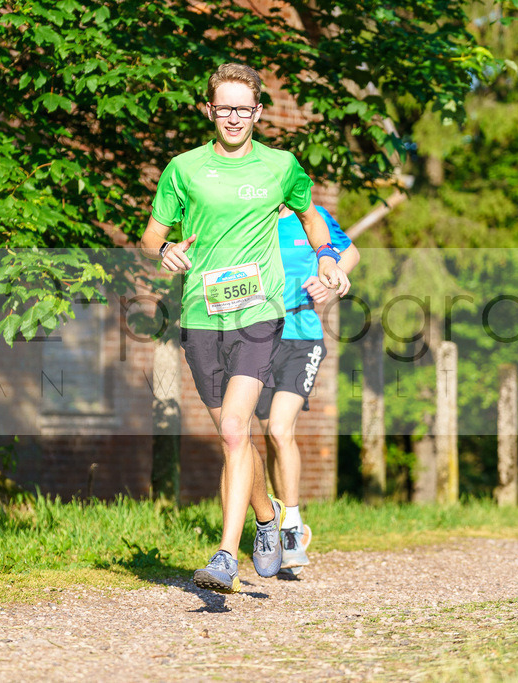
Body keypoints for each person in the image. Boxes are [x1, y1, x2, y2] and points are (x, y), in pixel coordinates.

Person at [139, 63, 351, 594]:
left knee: (237, 429)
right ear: (208, 110)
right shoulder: (183, 169)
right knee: (234, 435)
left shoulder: (281, 166)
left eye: (244, 108)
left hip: (259, 315)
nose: (233, 117)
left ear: (258, 112)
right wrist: (163, 251)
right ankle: (266, 517)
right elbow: (151, 235)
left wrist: (327, 258)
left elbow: (311, 216)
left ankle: (224, 557)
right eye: (224, 107)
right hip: (200, 317)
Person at [255, 204, 358, 577]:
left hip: (303, 339)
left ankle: (293, 529)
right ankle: (279, 524)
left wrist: (330, 280)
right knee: (270, 436)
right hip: (257, 340)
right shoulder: (250, 215)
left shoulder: (312, 215)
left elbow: (349, 252)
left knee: (281, 430)